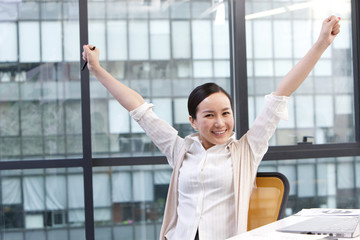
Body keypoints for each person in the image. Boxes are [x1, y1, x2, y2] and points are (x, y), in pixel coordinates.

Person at [82, 15, 340, 240]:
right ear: (193, 121)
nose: (220, 123)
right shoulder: (180, 149)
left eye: (226, 113)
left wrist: (321, 44)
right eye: (209, 115)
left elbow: (281, 94)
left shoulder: (247, 150)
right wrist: (96, 68)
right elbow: (138, 108)